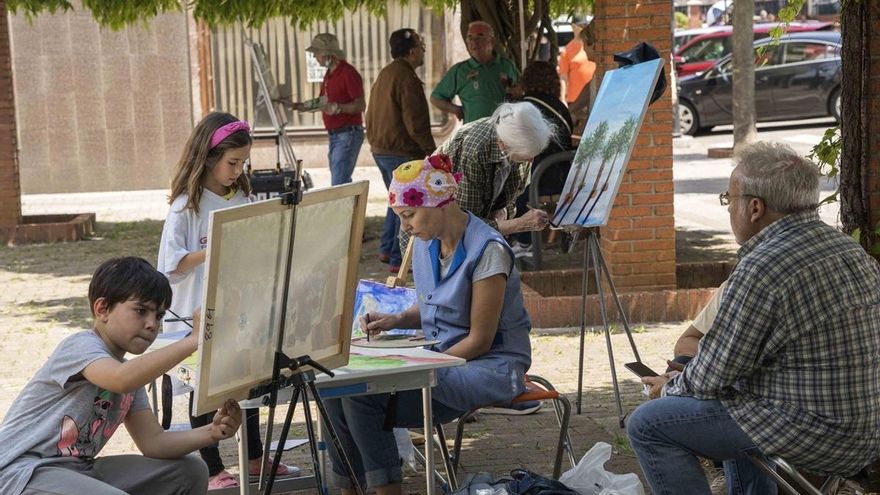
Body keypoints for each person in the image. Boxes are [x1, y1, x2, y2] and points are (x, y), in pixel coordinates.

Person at [626, 142, 880, 495]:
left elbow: (714, 373)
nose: (729, 209)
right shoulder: (846, 248)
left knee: (648, 424)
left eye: (729, 200)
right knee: (736, 402)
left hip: (821, 431)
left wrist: (666, 387)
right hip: (865, 425)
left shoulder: (765, 265)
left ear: (755, 207)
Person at [324, 156, 532, 494]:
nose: (404, 227)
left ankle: (385, 490)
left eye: (409, 216)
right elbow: (437, 300)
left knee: (361, 397)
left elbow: (480, 340)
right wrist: (398, 319)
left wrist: (417, 366)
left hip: (489, 365)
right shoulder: (426, 241)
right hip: (443, 359)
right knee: (334, 390)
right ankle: (352, 488)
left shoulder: (488, 249)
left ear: (441, 203)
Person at [0, 256, 242, 495]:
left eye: (159, 315)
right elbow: (121, 378)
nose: (151, 324)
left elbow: (153, 442)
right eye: (141, 311)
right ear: (102, 308)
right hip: (21, 473)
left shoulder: (129, 374)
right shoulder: (80, 346)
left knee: (190, 471)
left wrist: (211, 431)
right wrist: (193, 341)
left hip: (77, 469)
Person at [157, 112, 298, 489]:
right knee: (207, 389)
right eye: (232, 163)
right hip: (197, 316)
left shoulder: (241, 196)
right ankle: (212, 466)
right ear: (207, 156)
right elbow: (171, 266)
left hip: (242, 308)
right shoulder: (185, 205)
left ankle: (252, 457)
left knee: (246, 383)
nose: (238, 170)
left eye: (243, 163)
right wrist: (217, 249)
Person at [366, 28, 436, 273]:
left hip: (382, 148)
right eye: (422, 48)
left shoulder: (386, 73)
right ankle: (398, 258)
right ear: (414, 51)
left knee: (394, 200)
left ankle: (386, 248)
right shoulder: (406, 78)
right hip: (401, 150)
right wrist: (431, 153)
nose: (424, 53)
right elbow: (415, 122)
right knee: (406, 206)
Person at [431, 101, 555, 240]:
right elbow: (465, 222)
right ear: (503, 144)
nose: (531, 160)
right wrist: (519, 224)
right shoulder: (475, 150)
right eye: (526, 154)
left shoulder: (520, 143)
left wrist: (503, 211)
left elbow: (511, 198)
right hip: (436, 229)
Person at [510, 61, 575, 255]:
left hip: (538, 176)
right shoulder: (560, 107)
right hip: (561, 174)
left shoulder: (521, 106)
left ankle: (522, 241)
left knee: (510, 187)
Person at [291, 33, 365, 185]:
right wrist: (298, 106)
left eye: (317, 54)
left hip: (347, 134)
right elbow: (322, 102)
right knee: (339, 181)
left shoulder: (347, 73)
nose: (316, 58)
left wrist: (338, 108)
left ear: (328, 55)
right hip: (336, 135)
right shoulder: (329, 74)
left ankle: (343, 208)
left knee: (339, 183)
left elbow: (360, 105)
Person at [430, 21, 520, 123]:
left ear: (492, 41)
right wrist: (456, 109)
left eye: (479, 37)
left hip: (504, 131)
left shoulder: (507, 65)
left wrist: (517, 93)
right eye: (470, 37)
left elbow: (521, 90)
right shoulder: (460, 70)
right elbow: (436, 98)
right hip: (475, 133)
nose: (474, 41)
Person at [558, 17, 596, 111]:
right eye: (580, 26)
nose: (584, 49)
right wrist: (564, 99)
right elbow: (563, 77)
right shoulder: (566, 50)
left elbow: (590, 86)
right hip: (574, 99)